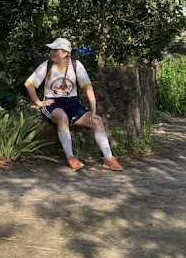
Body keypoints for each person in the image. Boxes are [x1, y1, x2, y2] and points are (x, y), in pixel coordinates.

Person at [25, 38, 123, 171]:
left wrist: (93, 110)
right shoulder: (46, 65)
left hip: (72, 102)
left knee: (97, 121)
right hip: (52, 103)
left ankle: (109, 158)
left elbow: (88, 87)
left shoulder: (76, 65)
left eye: (55, 50)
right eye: (51, 50)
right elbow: (29, 84)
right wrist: (38, 102)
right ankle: (71, 157)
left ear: (65, 53)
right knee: (62, 117)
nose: (51, 52)